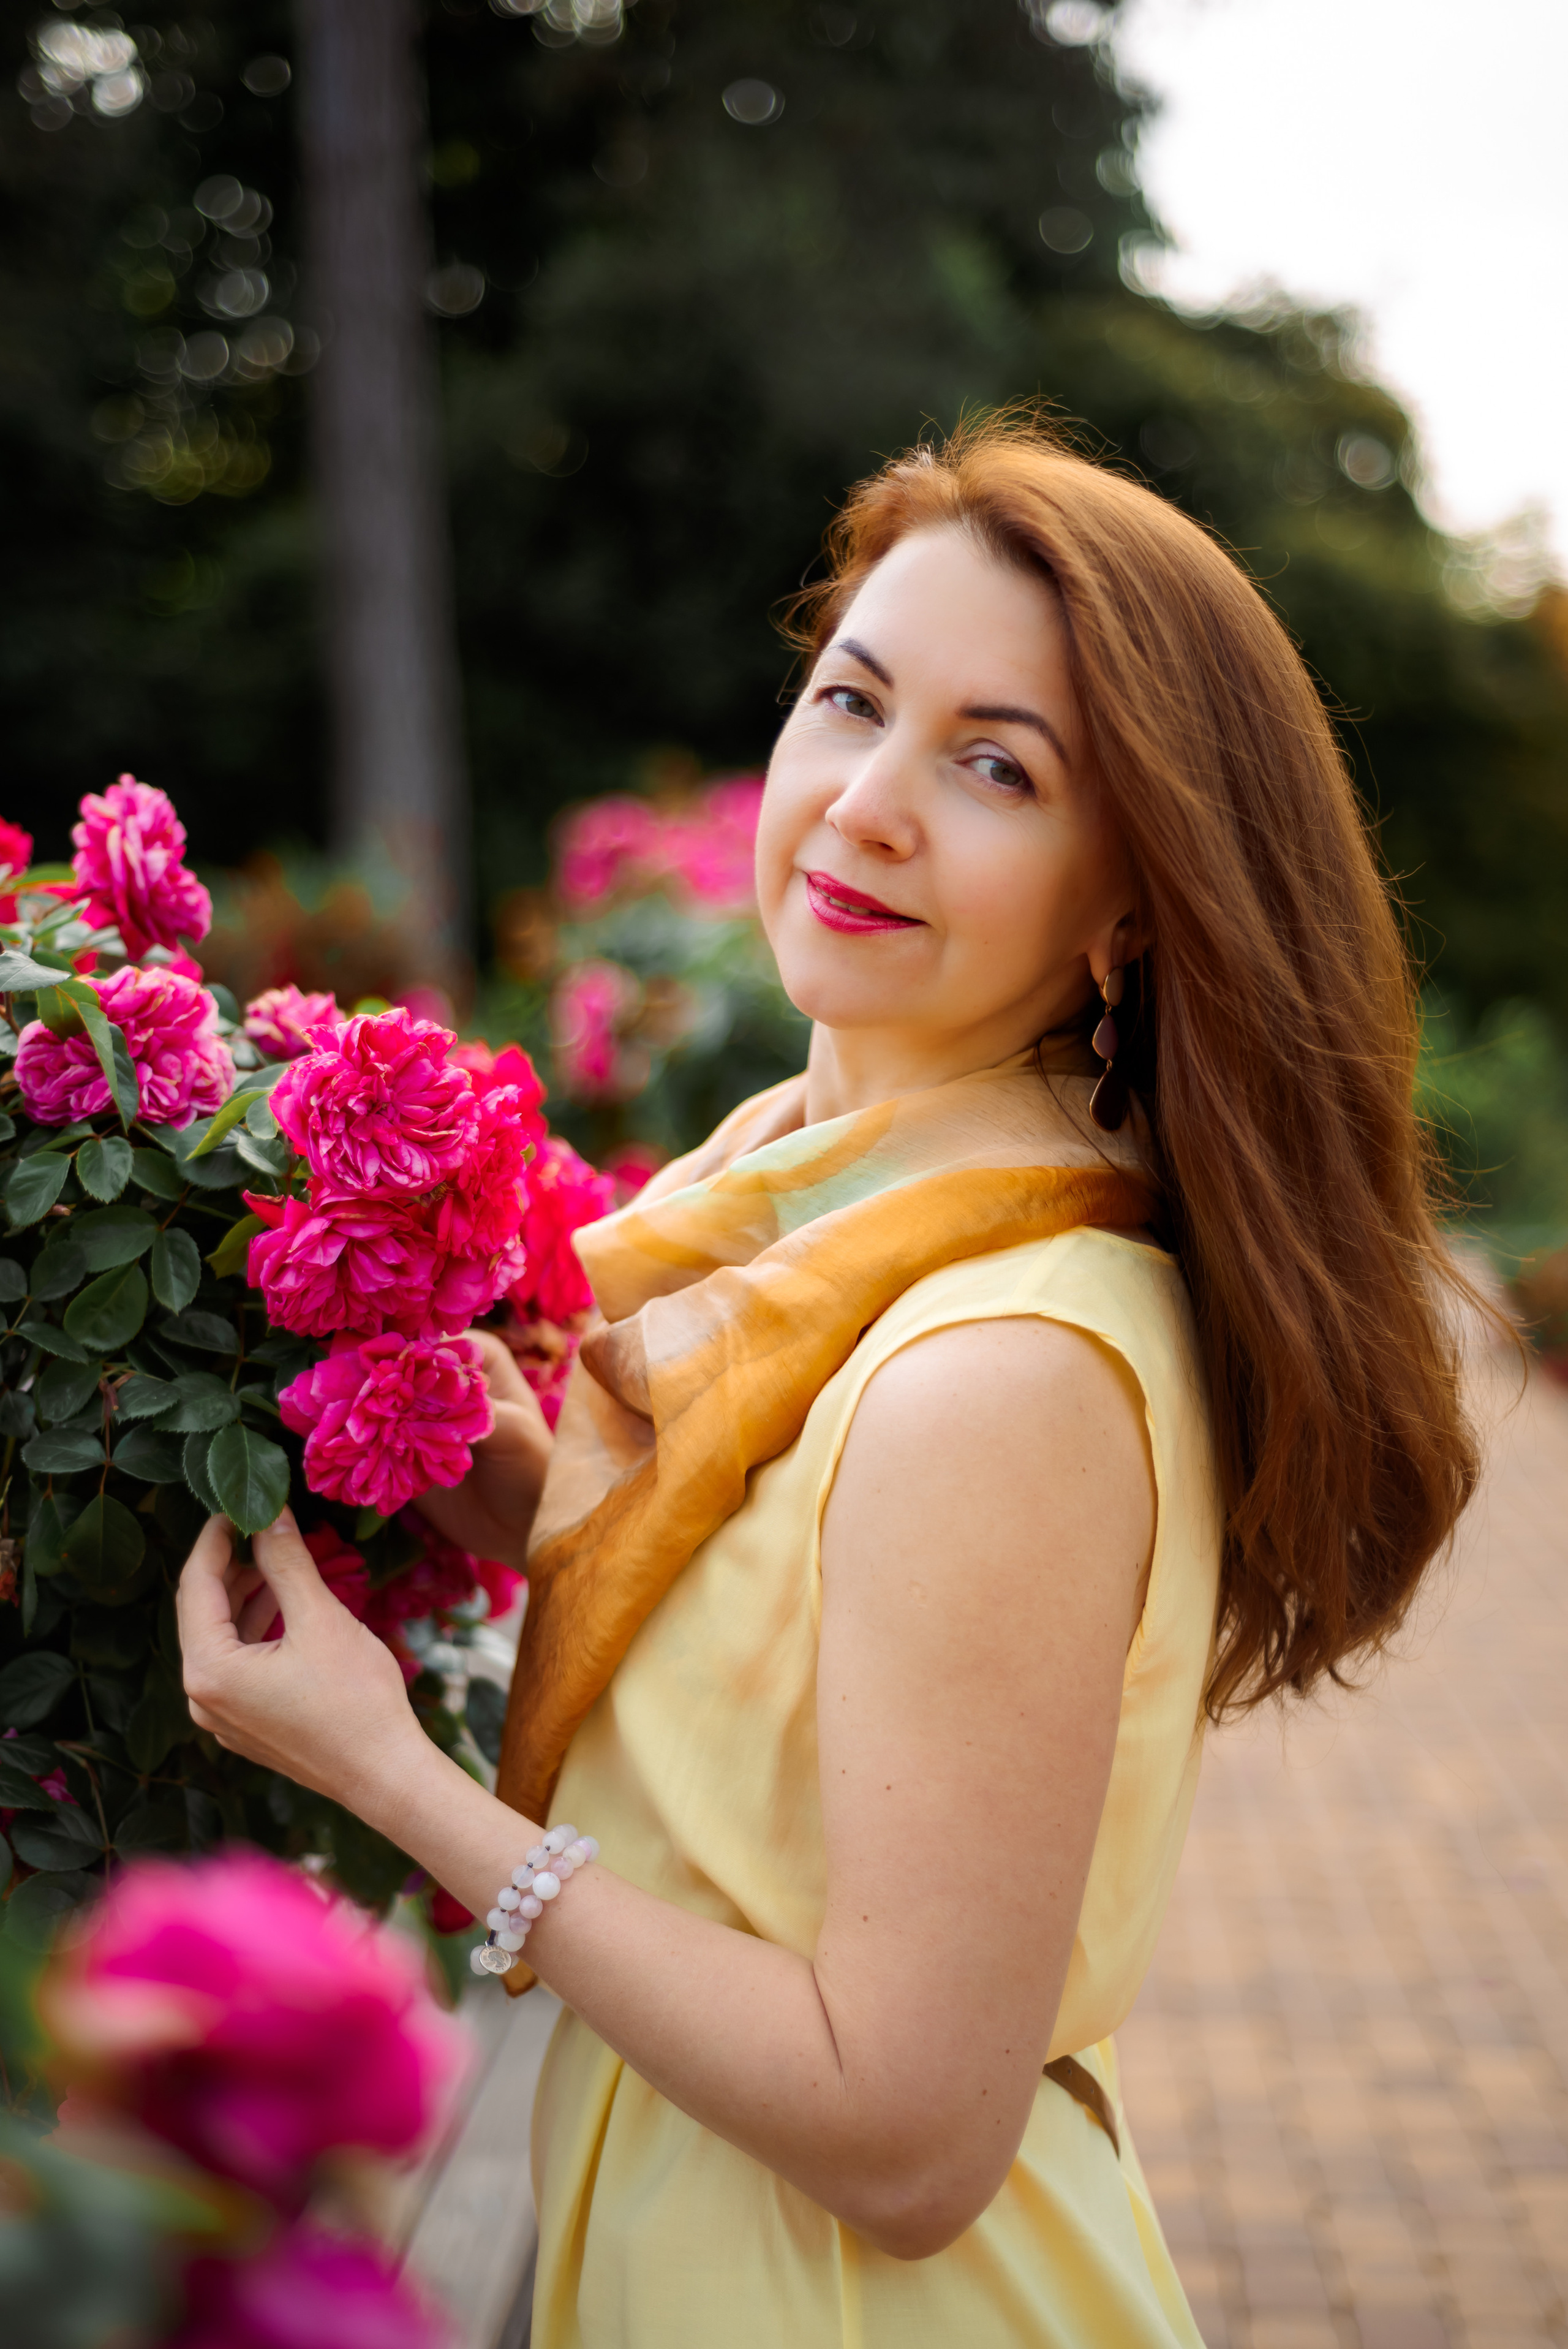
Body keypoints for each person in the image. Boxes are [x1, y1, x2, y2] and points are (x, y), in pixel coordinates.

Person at [178, 416, 1479, 2348]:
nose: (867, 801)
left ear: (1129, 904)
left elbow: (906, 2130)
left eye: (995, 766)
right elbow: (787, 1688)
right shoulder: (786, 1207)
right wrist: (523, 1491)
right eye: (851, 700)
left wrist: (393, 1778)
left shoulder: (1001, 1366)